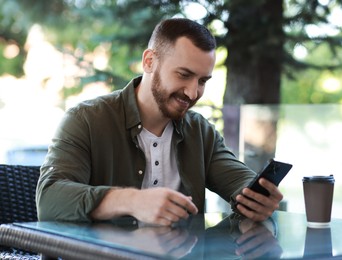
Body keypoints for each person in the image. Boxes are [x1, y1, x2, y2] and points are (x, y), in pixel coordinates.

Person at [36, 18, 283, 226]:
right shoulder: (86, 120)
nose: (192, 92)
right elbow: (49, 200)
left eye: (202, 81)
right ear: (149, 61)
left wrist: (257, 199)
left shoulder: (200, 130)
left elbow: (240, 181)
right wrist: (132, 201)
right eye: (184, 75)